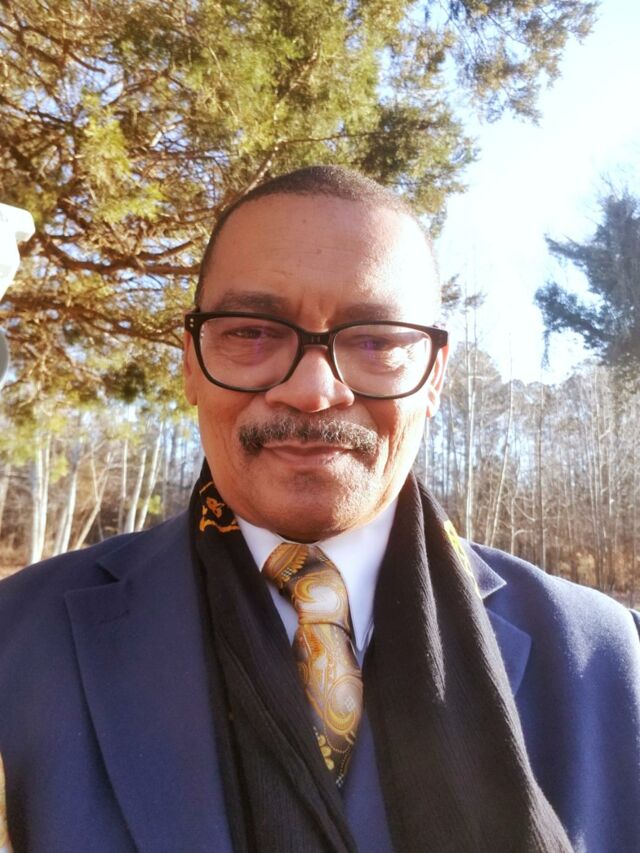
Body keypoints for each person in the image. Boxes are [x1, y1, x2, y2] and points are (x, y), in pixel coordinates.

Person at [0, 166, 638, 853]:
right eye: (252, 332)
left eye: (377, 340)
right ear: (190, 361)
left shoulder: (607, 660)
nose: (312, 390)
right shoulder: (19, 639)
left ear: (434, 377)